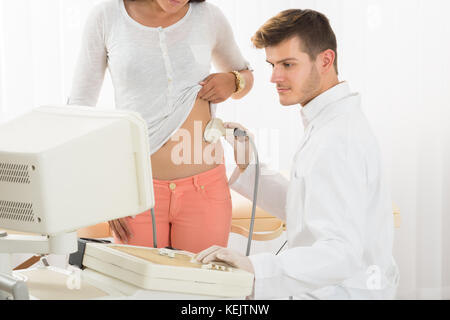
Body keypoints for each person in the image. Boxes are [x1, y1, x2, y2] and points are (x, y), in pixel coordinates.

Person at [195, 9, 399, 299]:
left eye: (288, 64)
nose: (274, 77)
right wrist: (248, 166)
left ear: (325, 60)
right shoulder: (328, 123)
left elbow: (341, 253)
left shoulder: (338, 139)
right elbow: (308, 209)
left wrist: (254, 267)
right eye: (272, 65)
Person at [68, 0, 253, 253]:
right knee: (140, 289)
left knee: (200, 288)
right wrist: (106, 187)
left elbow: (245, 75)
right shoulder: (107, 16)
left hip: (204, 189)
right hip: (135, 190)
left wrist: (234, 81)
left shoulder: (209, 17)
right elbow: (80, 106)